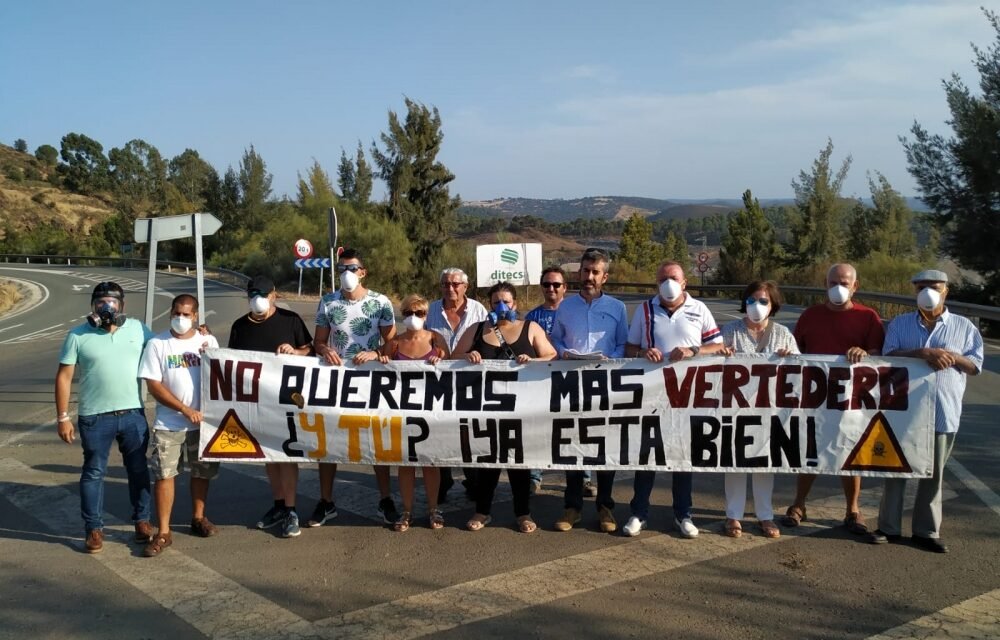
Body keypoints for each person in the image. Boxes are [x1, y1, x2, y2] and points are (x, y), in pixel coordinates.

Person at [869, 270, 983, 553]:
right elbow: (887, 356)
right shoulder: (900, 323)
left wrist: (952, 356)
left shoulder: (964, 326)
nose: (927, 291)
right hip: (905, 409)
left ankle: (926, 531)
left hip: (943, 411)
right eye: (921, 287)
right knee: (897, 471)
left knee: (934, 475)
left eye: (934, 287)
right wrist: (922, 353)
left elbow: (975, 366)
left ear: (946, 291)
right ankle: (888, 527)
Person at [781, 263, 885, 535]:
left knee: (850, 451)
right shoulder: (810, 315)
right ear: (825, 285)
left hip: (852, 398)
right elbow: (795, 350)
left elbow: (878, 353)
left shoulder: (868, 317)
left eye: (844, 282)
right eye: (832, 283)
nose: (838, 288)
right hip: (814, 397)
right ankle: (799, 504)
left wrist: (865, 352)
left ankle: (853, 510)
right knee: (811, 452)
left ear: (855, 286)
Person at [624, 260, 725, 538]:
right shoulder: (645, 309)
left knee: (682, 455)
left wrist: (694, 350)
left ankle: (683, 514)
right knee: (648, 453)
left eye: (672, 278)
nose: (667, 283)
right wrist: (643, 353)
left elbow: (718, 345)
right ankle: (638, 513)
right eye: (661, 279)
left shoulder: (699, 308)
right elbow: (629, 346)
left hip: (687, 394)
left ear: (684, 282)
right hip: (652, 393)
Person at [55, 281, 155, 553]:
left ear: (121, 306)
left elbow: (165, 351)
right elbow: (64, 376)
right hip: (95, 417)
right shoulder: (77, 335)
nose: (106, 307)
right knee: (93, 472)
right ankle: (94, 529)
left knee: (138, 470)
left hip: (133, 413)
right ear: (93, 306)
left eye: (112, 302)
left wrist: (199, 335)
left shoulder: (137, 329)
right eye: (101, 303)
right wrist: (63, 417)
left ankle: (142, 522)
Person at [452, 282, 557, 533]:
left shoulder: (530, 328)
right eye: (496, 301)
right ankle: (482, 511)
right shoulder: (477, 330)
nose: (501, 306)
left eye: (506, 301)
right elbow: (452, 357)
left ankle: (523, 513)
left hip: (522, 408)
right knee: (488, 462)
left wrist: (533, 360)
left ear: (515, 304)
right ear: (489, 304)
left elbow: (553, 356)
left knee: (518, 463)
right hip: (485, 407)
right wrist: (468, 356)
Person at [313, 248, 398, 526]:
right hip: (336, 380)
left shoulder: (381, 302)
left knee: (377, 437)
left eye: (351, 268)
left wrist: (375, 354)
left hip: (371, 380)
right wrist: (325, 350)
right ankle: (326, 502)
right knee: (327, 439)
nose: (346, 273)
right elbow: (319, 341)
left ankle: (385, 499)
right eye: (341, 269)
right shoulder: (328, 302)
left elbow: (392, 343)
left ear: (363, 272)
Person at [228, 275, 313, 538]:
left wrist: (295, 353)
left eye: (263, 294)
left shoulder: (291, 320)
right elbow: (230, 362)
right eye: (253, 294)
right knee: (268, 456)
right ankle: (278, 505)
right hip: (256, 403)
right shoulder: (240, 326)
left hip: (286, 400)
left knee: (286, 455)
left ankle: (291, 509)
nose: (258, 299)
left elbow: (309, 351)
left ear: (274, 295)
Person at [550, 248, 629, 534]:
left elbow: (623, 345)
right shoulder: (566, 308)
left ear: (604, 277)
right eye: (585, 271)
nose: (589, 277)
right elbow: (554, 340)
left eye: (595, 272)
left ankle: (605, 507)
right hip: (572, 385)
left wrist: (612, 360)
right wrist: (564, 353)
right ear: (578, 273)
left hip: (605, 386)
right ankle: (572, 508)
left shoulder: (618, 308)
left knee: (605, 448)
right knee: (572, 447)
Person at [138, 294, 220, 557]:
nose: (180, 318)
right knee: (164, 475)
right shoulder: (157, 344)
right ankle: (163, 531)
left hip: (203, 424)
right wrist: (184, 409)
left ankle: (199, 517)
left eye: (186, 314)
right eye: (176, 313)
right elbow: (154, 385)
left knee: (201, 473)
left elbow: (221, 374)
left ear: (195, 316)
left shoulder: (207, 341)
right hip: (169, 422)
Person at [718, 281, 798, 539]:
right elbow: (710, 363)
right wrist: (721, 355)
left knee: (765, 462)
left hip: (770, 410)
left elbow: (801, 369)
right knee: (735, 463)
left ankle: (765, 516)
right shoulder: (730, 331)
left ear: (773, 305)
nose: (757, 306)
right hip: (735, 409)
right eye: (752, 300)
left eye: (763, 301)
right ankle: (733, 516)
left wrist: (790, 358)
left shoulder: (783, 334)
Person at [379, 294, 450, 532]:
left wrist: (443, 359)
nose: (413, 318)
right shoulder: (395, 342)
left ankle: (433, 509)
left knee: (430, 463)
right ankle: (407, 511)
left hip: (431, 411)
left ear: (426, 315)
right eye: (408, 313)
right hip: (401, 411)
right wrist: (378, 357)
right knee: (405, 463)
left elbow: (452, 367)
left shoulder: (436, 338)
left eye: (419, 313)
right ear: (402, 315)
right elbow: (378, 362)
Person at [425, 267, 488, 502]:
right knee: (439, 431)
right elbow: (420, 341)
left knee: (469, 433)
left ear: (465, 287)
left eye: (455, 284)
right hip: (437, 383)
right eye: (445, 284)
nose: (450, 288)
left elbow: (485, 341)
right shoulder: (430, 310)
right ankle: (443, 481)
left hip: (468, 383)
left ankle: (473, 480)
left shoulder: (479, 310)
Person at [524, 266, 585, 495]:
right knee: (537, 428)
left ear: (565, 288)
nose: (551, 288)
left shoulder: (574, 313)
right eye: (547, 284)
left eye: (556, 284)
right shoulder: (532, 316)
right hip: (541, 381)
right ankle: (534, 475)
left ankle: (584, 477)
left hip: (571, 378)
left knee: (576, 427)